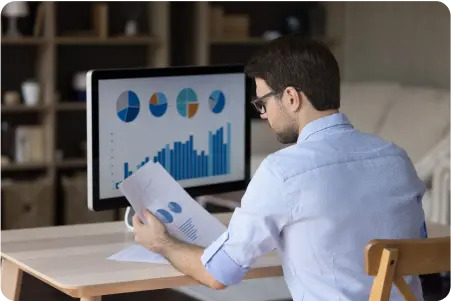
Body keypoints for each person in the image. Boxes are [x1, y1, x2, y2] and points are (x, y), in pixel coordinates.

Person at [132, 35, 427, 301]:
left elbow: (217, 273)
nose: (262, 115)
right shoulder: (396, 158)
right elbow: (416, 247)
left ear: (291, 97)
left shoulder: (283, 172)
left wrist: (161, 242)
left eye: (262, 103)